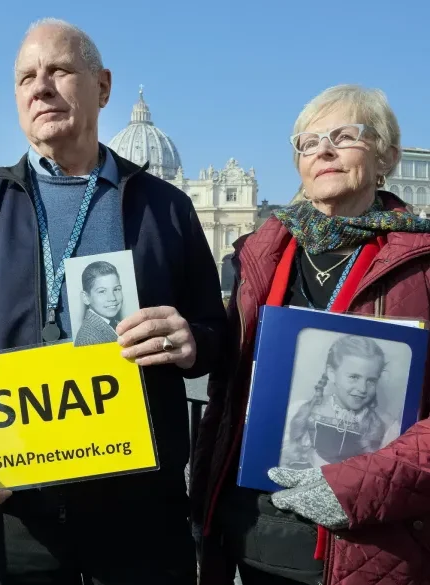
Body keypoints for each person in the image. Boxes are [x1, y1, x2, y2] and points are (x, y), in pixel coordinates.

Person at [0, 18, 225, 585]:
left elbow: (214, 336)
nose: (40, 87)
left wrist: (190, 342)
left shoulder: (168, 209)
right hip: (16, 509)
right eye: (26, 77)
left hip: (140, 513)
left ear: (103, 87)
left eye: (59, 70)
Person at [191, 85, 430, 585]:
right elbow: (228, 390)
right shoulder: (261, 253)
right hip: (251, 535)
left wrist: (352, 488)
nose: (323, 149)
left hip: (368, 543)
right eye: (308, 141)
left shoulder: (423, 265)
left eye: (344, 136)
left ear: (387, 153)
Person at [280, 335, 388, 469]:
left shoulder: (381, 428)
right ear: (332, 373)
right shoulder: (303, 411)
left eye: (371, 380)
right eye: (354, 377)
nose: (362, 389)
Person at [74, 260, 123, 346]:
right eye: (102, 291)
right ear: (86, 298)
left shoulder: (116, 323)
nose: (112, 298)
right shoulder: (88, 340)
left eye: (116, 289)